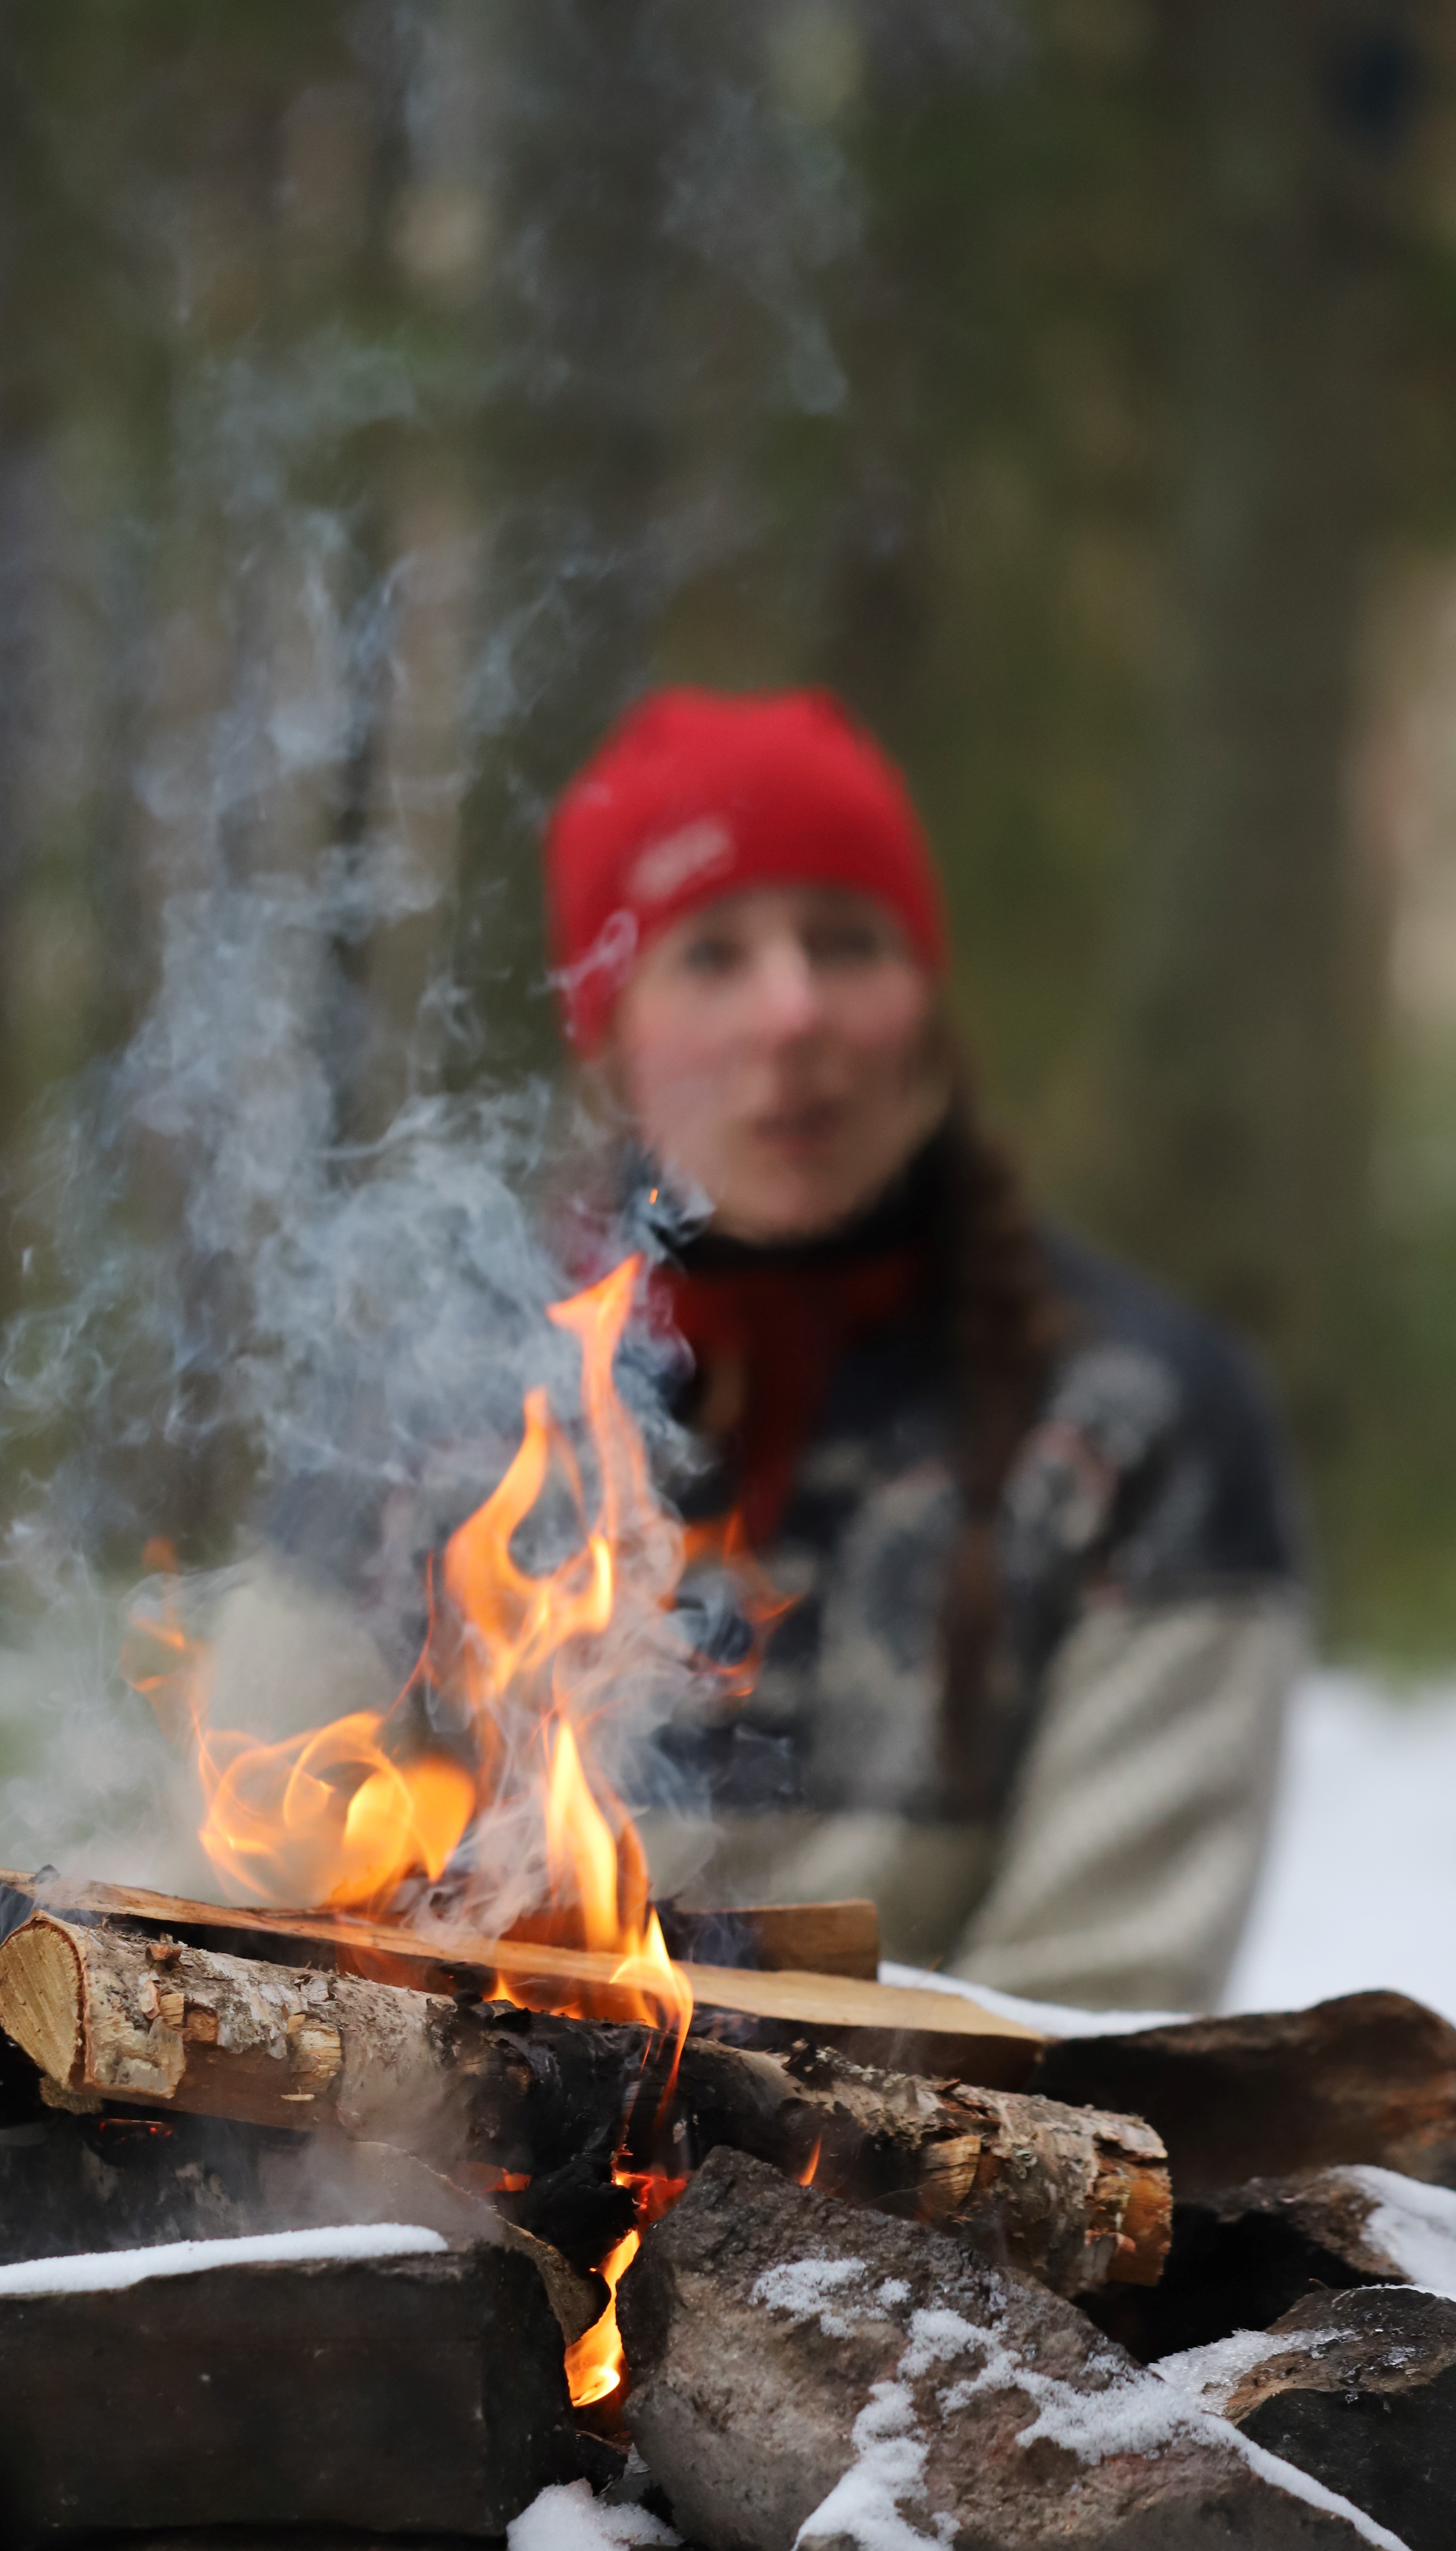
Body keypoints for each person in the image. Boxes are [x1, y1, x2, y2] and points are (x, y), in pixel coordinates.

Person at [545, 686, 1305, 2012]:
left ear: (927, 1004)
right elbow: (231, 1914)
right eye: (712, 953)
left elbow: (1098, 2012)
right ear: (609, 1042)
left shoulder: (1143, 1427)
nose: (796, 1015)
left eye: (846, 943)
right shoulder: (444, 1423)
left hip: (934, 2205)